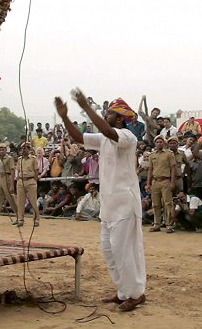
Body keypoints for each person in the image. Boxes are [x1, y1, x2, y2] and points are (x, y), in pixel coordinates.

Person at [55, 90, 146, 312]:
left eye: (109, 113)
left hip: (125, 203)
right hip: (109, 205)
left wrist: (86, 107)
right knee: (109, 250)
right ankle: (123, 292)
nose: (106, 116)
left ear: (119, 118)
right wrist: (65, 117)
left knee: (123, 251)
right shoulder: (104, 139)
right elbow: (78, 138)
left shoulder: (126, 136)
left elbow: (107, 131)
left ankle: (136, 294)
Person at [146, 135, 176, 233]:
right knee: (155, 204)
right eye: (157, 142)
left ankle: (169, 224)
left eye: (161, 142)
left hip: (165, 180)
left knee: (168, 203)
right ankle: (157, 224)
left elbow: (173, 169)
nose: (159, 143)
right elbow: (150, 170)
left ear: (164, 143)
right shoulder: (152, 155)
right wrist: (148, 183)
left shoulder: (169, 154)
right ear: (155, 143)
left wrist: (172, 182)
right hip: (155, 181)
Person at [14, 142, 40, 227]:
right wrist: (17, 177)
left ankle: (36, 219)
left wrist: (34, 181)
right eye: (22, 148)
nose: (23, 150)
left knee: (33, 201)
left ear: (29, 149)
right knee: (20, 202)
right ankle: (20, 219)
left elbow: (36, 171)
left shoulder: (33, 159)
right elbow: (17, 169)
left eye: (25, 148)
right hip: (21, 181)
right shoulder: (19, 159)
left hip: (30, 180)